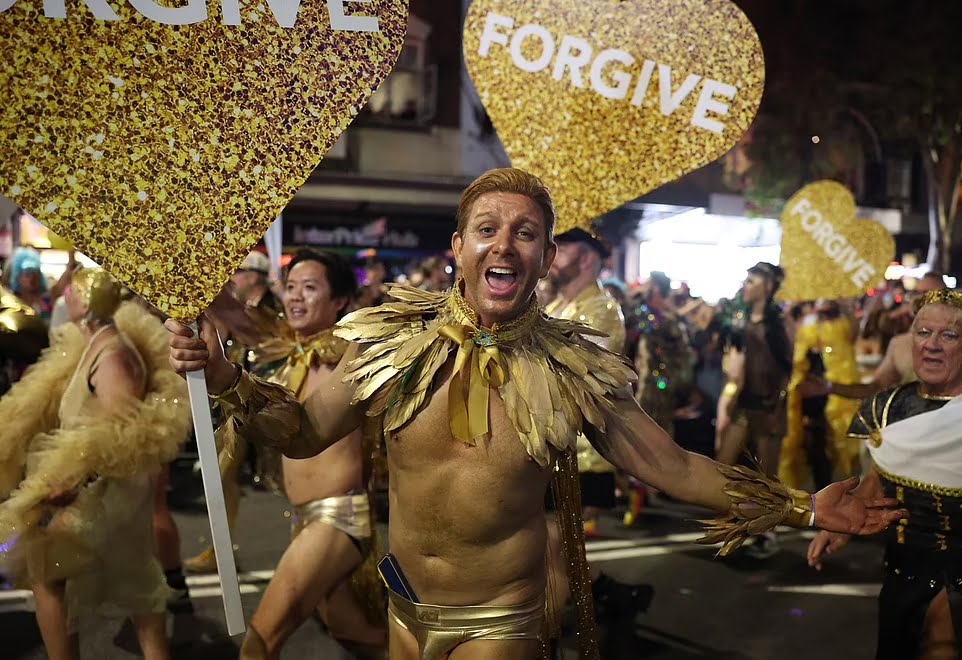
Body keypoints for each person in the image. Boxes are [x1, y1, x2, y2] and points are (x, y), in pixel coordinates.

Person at [169, 168, 904, 660]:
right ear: (457, 247)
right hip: (404, 605)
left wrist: (805, 505)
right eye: (486, 227)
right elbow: (298, 431)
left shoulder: (570, 367)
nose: (505, 244)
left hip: (501, 621)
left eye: (525, 233)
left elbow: (672, 465)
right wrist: (225, 374)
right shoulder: (390, 346)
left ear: (547, 256)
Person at [0, 268, 190, 660]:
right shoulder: (96, 346)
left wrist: (69, 486)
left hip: (104, 495)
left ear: (85, 301)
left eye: (71, 291)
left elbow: (120, 440)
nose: (63, 296)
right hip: (100, 491)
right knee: (142, 603)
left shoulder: (113, 356)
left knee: (46, 569)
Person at [214, 249, 386, 659]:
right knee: (360, 636)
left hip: (339, 518)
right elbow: (233, 315)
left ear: (340, 302)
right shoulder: (293, 350)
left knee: (258, 644)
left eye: (310, 288)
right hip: (304, 519)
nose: (295, 298)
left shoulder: (350, 352)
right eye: (290, 287)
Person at [808, 288, 962, 660]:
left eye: (950, 335)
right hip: (902, 567)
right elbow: (885, 472)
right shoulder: (886, 408)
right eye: (923, 333)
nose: (932, 345)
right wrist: (840, 521)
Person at [545, 228, 626, 535]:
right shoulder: (556, 306)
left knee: (562, 545)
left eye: (563, 249)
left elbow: (577, 374)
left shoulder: (601, 311)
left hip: (581, 450)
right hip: (554, 443)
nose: (553, 255)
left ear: (588, 258)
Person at [714, 262, 793, 558]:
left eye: (752, 281)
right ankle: (726, 526)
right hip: (744, 403)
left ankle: (767, 535)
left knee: (767, 477)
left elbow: (788, 368)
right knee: (723, 465)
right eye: (746, 280)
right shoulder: (739, 318)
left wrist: (778, 403)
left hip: (770, 405)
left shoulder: (778, 323)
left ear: (767, 287)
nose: (746, 286)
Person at [780, 299, 861, 491]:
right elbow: (798, 355)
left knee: (838, 442)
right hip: (812, 393)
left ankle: (838, 486)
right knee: (814, 443)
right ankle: (821, 488)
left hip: (839, 392)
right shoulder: (808, 323)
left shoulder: (843, 322)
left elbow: (853, 336)